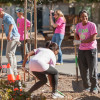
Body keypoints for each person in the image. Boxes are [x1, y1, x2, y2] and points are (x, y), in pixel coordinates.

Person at [73, 10, 99, 94]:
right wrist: (75, 34)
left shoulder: (92, 25)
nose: (84, 18)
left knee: (92, 70)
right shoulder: (78, 25)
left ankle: (95, 87)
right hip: (81, 50)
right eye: (82, 16)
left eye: (86, 16)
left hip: (91, 49)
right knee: (83, 70)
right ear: (80, 18)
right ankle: (87, 86)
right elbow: (77, 37)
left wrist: (81, 42)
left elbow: (93, 38)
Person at [0, 8, 20, 75]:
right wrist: (4, 27)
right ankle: (14, 72)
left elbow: (11, 24)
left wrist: (9, 34)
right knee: (12, 54)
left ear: (1, 12)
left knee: (8, 54)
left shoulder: (6, 16)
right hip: (14, 37)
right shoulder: (4, 18)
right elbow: (9, 25)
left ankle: (11, 72)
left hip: (13, 37)